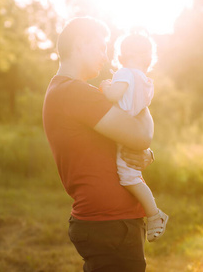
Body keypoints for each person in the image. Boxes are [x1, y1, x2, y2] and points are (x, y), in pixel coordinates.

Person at [42, 17, 156, 272]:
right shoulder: (77, 93)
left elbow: (126, 141)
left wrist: (146, 153)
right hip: (110, 224)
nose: (106, 56)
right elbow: (140, 136)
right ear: (81, 43)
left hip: (107, 222)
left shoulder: (69, 91)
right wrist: (144, 107)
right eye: (101, 47)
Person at [100, 32, 168, 242]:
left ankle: (155, 215)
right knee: (133, 176)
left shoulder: (124, 73)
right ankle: (153, 213)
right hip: (134, 130)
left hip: (122, 131)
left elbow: (112, 96)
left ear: (121, 58)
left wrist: (105, 86)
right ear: (148, 59)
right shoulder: (147, 82)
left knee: (129, 177)